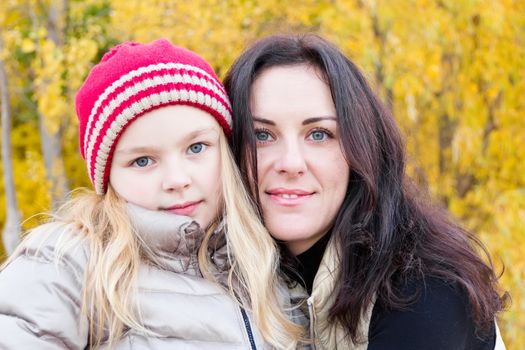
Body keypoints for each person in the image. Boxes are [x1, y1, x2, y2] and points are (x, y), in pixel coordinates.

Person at [0, 39, 304, 349]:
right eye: (142, 161)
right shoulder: (68, 262)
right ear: (109, 179)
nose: (176, 179)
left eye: (196, 148)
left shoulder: (268, 267)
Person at [224, 34, 508, 349]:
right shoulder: (227, 275)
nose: (291, 163)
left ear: (361, 148)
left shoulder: (423, 290)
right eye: (261, 134)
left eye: (319, 134)